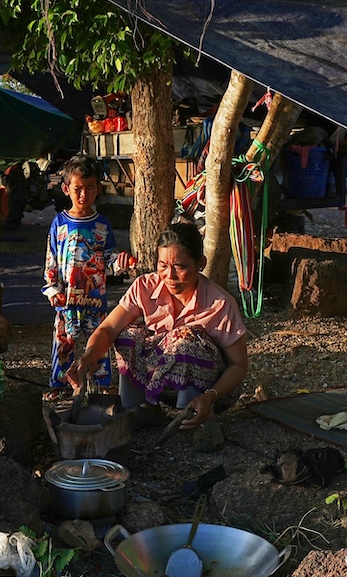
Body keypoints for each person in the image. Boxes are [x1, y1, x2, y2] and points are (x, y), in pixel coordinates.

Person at [65, 222, 248, 430]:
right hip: (161, 381)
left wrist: (211, 396)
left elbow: (239, 365)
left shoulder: (220, 304)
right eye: (163, 265)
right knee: (128, 334)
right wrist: (90, 355)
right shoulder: (144, 287)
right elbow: (108, 329)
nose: (169, 275)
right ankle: (140, 408)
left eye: (180, 267)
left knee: (184, 340)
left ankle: (191, 416)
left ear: (201, 263)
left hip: (212, 391)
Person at [42, 156, 133, 401]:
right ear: (66, 189)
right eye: (77, 189)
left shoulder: (102, 224)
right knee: (63, 342)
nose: (83, 195)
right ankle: (59, 384)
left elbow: (110, 259)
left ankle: (102, 385)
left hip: (95, 300)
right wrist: (52, 289)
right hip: (67, 301)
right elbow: (51, 259)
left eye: (90, 188)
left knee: (99, 343)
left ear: (98, 189)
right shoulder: (59, 223)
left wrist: (121, 264)